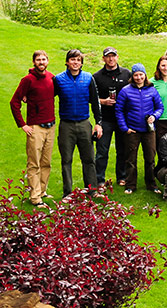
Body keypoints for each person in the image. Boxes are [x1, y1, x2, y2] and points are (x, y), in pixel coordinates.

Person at [53, 49, 103, 197]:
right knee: (66, 159)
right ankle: (67, 193)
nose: (75, 62)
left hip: (84, 123)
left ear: (81, 63)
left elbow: (95, 102)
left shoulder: (88, 78)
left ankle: (92, 190)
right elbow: (46, 96)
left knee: (88, 159)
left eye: (78, 60)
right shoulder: (59, 79)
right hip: (66, 125)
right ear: (67, 62)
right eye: (72, 60)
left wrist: (98, 122)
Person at [10, 50, 55, 207]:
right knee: (34, 163)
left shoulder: (51, 77)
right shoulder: (28, 80)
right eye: (38, 60)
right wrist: (23, 124)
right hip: (35, 127)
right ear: (34, 62)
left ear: (47, 61)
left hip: (51, 126)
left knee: (46, 162)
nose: (41, 62)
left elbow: (51, 94)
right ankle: (35, 197)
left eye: (44, 59)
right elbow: (14, 102)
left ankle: (42, 191)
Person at [115, 63, 164, 195]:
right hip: (132, 130)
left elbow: (160, 107)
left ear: (145, 75)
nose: (138, 77)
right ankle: (130, 185)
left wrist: (154, 116)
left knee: (150, 158)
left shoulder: (152, 90)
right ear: (132, 76)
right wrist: (125, 128)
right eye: (136, 75)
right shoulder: (125, 91)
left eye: (141, 74)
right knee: (131, 159)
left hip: (149, 130)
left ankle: (151, 184)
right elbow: (119, 110)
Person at [93, 46, 132, 187]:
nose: (111, 59)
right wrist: (103, 101)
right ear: (103, 58)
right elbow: (90, 97)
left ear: (117, 57)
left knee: (122, 150)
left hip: (122, 119)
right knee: (102, 151)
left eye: (113, 56)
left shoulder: (126, 74)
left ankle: (122, 177)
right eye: (108, 56)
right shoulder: (97, 77)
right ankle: (100, 180)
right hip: (105, 119)